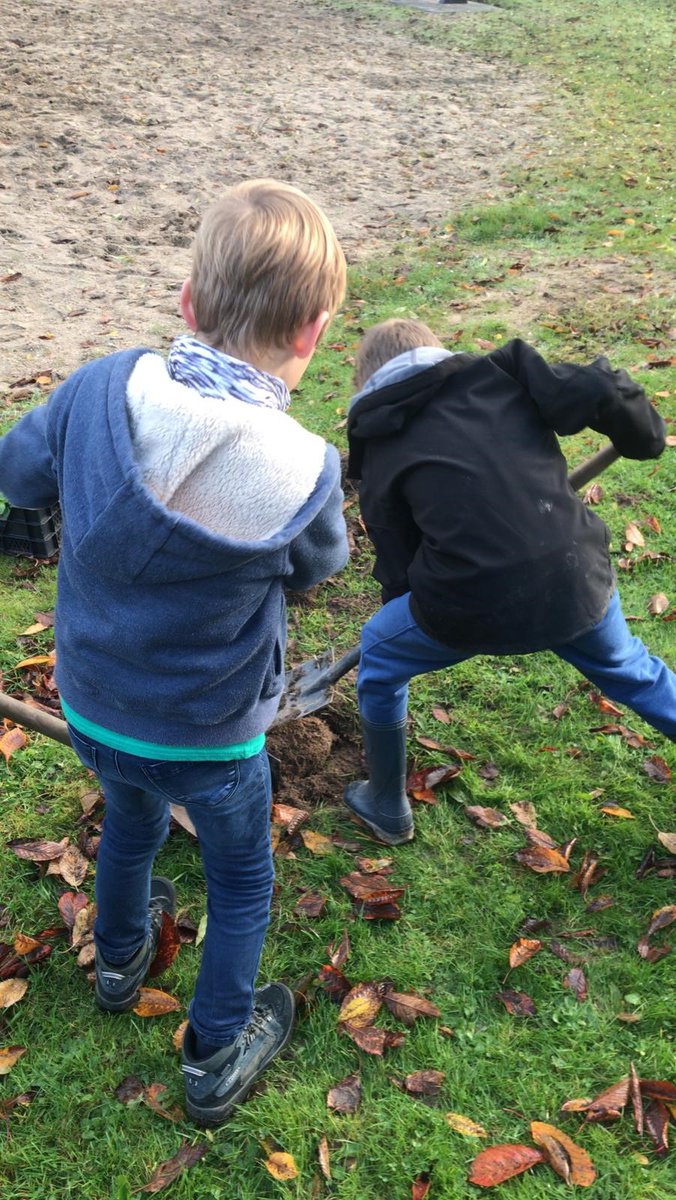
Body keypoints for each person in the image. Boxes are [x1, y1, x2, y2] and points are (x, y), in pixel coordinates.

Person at [0, 179, 349, 1125]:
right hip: (210, 733)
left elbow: (16, 472)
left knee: (130, 824)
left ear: (189, 303)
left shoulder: (97, 388)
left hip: (96, 705)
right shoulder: (305, 467)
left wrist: (39, 515)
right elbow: (320, 566)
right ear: (313, 332)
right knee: (241, 880)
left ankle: (117, 963)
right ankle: (211, 1053)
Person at [343, 317, 675, 846]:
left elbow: (399, 561)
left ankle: (385, 804)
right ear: (438, 353)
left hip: (465, 604)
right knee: (635, 672)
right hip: (573, 577)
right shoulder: (507, 374)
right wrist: (645, 437)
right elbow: (598, 384)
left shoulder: (380, 446)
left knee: (380, 664)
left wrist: (406, 621)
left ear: (366, 380)